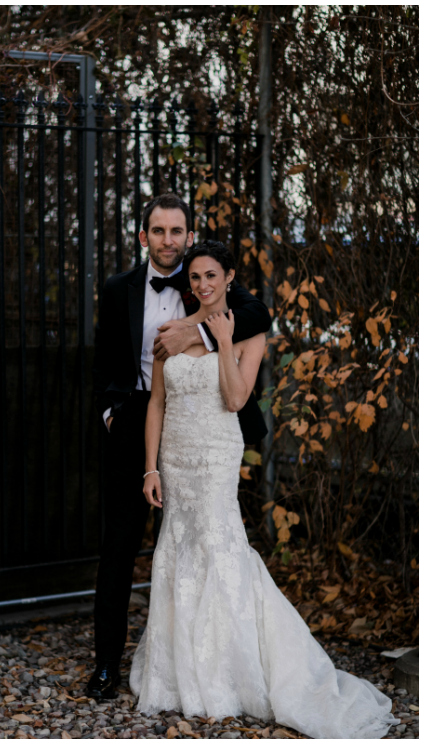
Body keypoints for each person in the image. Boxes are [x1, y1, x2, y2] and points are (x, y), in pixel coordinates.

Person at [130, 242, 396, 738]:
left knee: (219, 545)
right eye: (195, 279)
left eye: (211, 276)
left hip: (214, 452)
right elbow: (157, 404)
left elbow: (234, 398)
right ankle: (176, 674)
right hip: (175, 458)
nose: (202, 285)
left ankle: (228, 670)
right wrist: (151, 468)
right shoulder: (169, 333)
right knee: (180, 549)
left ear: (229, 276)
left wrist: (225, 341)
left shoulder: (249, 329)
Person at [88, 194, 271, 700]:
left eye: (177, 231)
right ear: (144, 236)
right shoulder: (117, 288)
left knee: (200, 544)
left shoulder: (203, 284)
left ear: (189, 237)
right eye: (159, 231)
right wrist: (109, 412)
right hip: (137, 424)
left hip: (200, 425)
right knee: (120, 548)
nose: (168, 240)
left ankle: (208, 661)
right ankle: (106, 665)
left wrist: (192, 327)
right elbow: (103, 362)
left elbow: (258, 312)